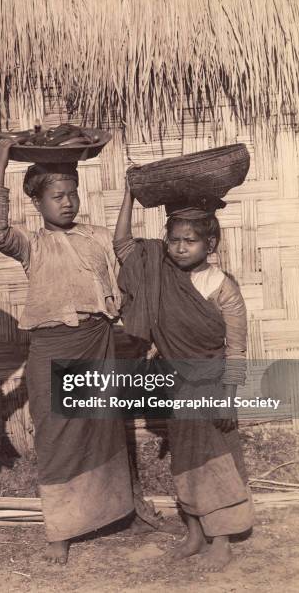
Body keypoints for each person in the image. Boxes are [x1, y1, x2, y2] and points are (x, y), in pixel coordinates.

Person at [0, 139, 134, 564]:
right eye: (57, 196)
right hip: (53, 347)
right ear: (36, 202)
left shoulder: (98, 237)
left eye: (73, 194)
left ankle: (112, 513)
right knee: (58, 435)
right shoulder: (32, 245)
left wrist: (129, 195)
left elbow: (126, 255)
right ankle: (61, 531)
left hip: (98, 341)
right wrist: (0, 161)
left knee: (101, 428)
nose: (68, 203)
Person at [113, 182, 254, 571]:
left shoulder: (223, 287)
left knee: (217, 461)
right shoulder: (156, 268)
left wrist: (228, 396)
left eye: (189, 241)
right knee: (186, 460)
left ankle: (221, 538)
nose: (179, 248)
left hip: (211, 385)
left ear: (210, 244)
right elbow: (123, 245)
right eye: (173, 240)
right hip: (176, 383)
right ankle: (194, 532)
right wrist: (129, 194)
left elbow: (236, 349)